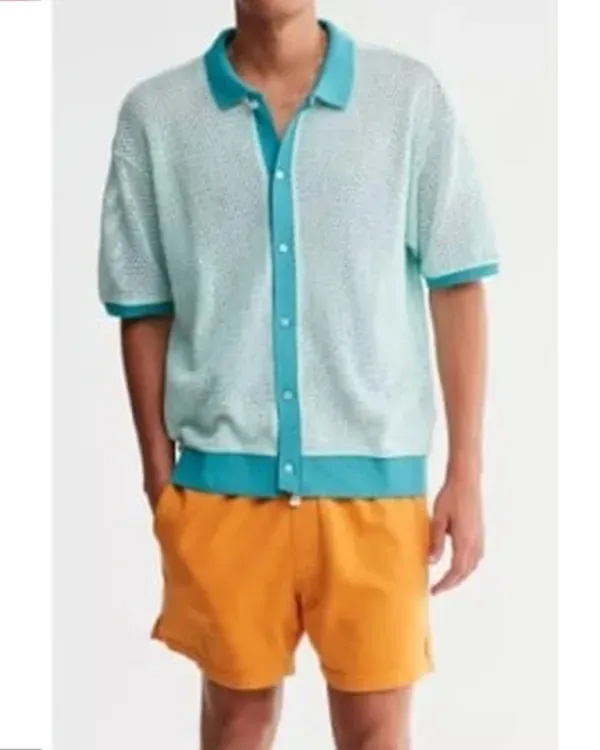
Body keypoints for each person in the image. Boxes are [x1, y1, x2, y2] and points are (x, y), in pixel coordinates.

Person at [98, 0, 498, 747]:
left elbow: (457, 284)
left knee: (378, 731)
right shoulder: (157, 116)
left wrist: (466, 472)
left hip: (376, 490)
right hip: (221, 489)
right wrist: (158, 476)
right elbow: (144, 307)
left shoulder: (407, 99)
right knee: (236, 725)